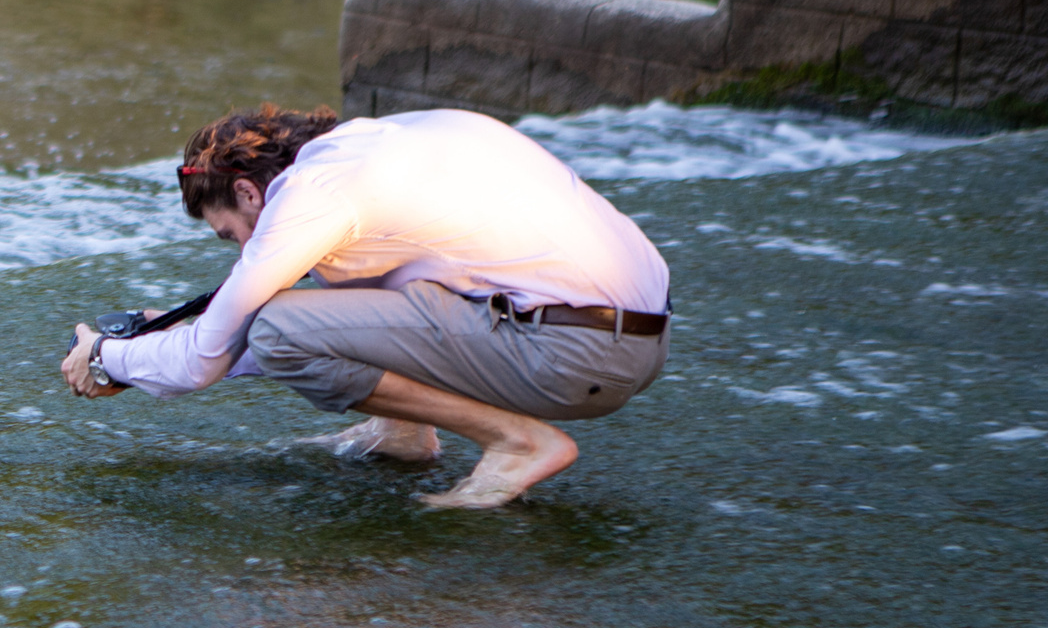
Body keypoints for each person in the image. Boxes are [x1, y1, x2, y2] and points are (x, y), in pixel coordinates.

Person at [60, 104, 670, 509]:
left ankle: (517, 442)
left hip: (574, 354)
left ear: (248, 190)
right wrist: (154, 340)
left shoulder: (315, 193)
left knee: (277, 330)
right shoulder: (378, 142)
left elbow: (206, 360)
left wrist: (111, 359)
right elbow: (359, 311)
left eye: (232, 232)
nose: (244, 250)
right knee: (326, 297)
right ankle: (402, 429)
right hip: (638, 340)